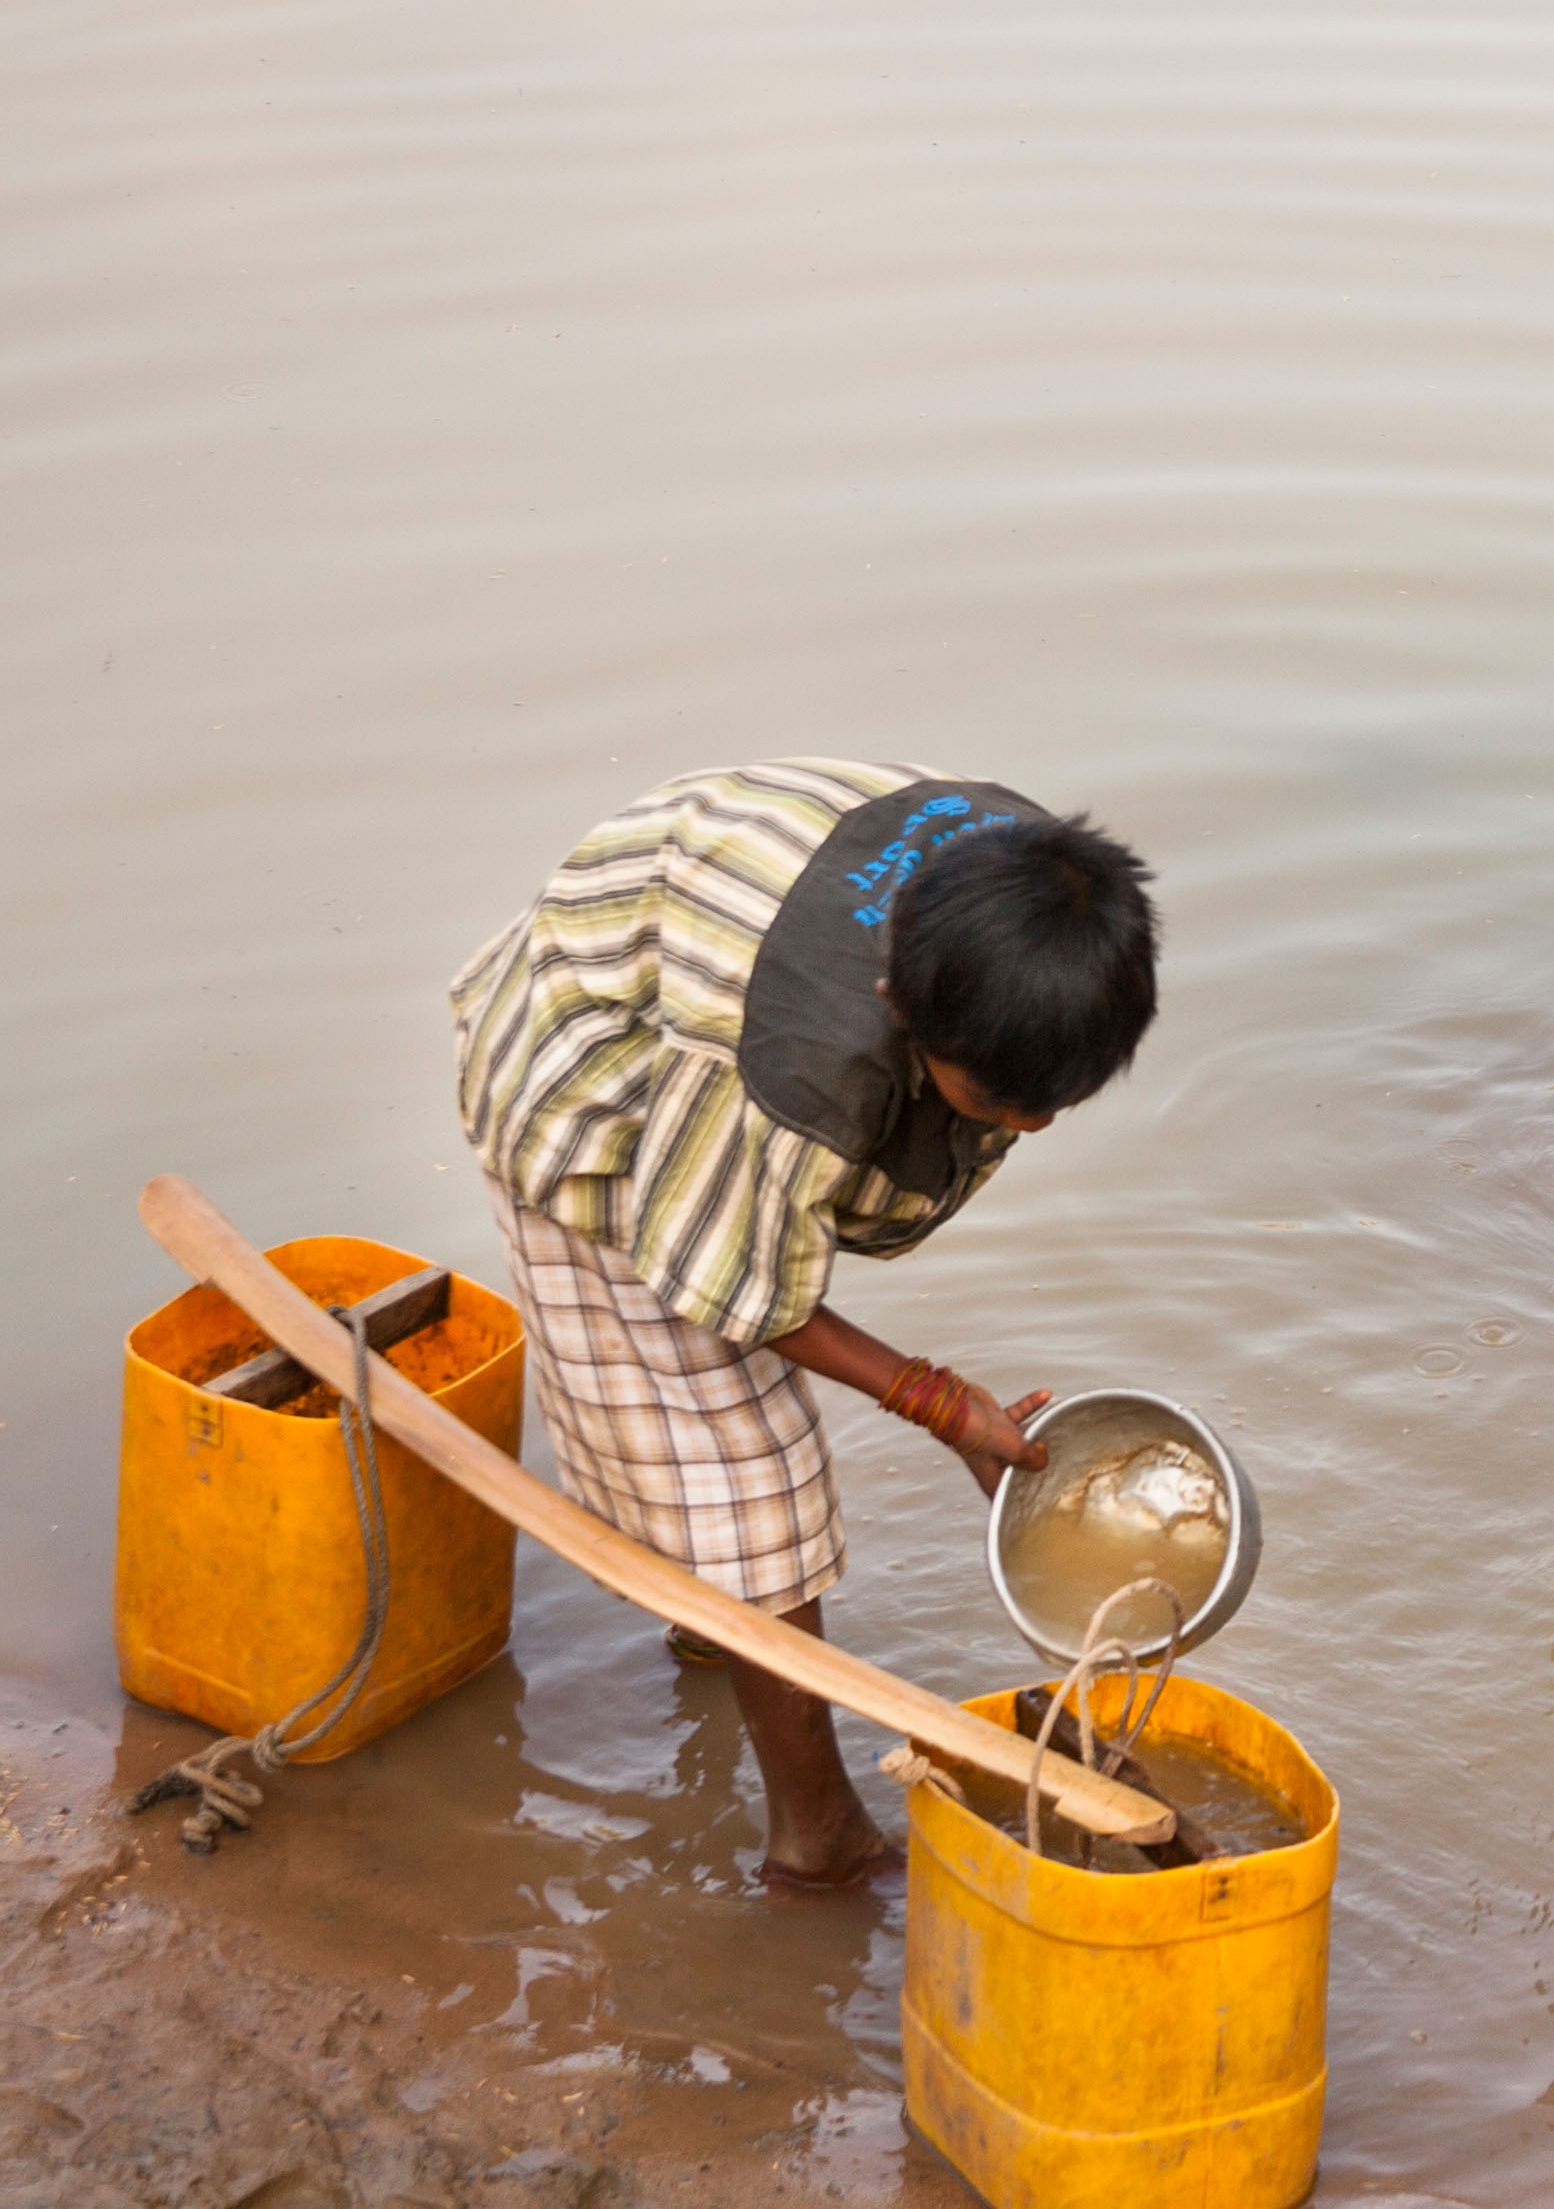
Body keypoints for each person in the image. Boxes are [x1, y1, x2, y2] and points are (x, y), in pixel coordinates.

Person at [451, 761, 1160, 1888]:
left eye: (1055, 1100)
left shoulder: (1048, 899)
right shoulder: (789, 1067)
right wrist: (934, 1399)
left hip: (682, 964)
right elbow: (726, 1281)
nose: (1034, 1127)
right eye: (1001, 1104)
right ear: (899, 1009)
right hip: (591, 1075)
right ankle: (816, 1834)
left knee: (725, 1472)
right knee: (754, 1483)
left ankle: (715, 1624)